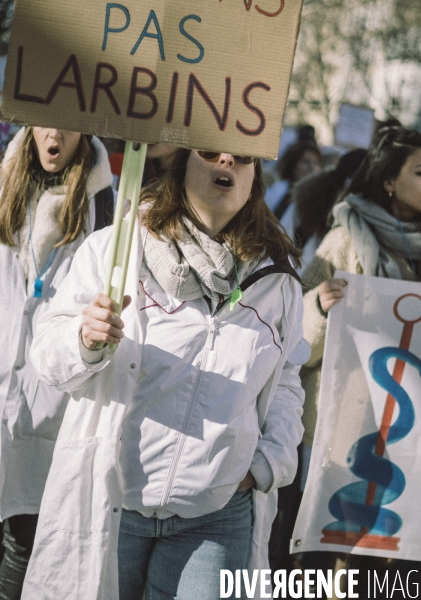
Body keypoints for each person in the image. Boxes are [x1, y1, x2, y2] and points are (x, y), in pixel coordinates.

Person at [24, 149, 309, 600]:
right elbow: (46, 353)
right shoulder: (118, 249)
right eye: (210, 151)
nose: (228, 159)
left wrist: (265, 463)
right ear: (181, 164)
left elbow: (286, 380)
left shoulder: (278, 277)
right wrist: (84, 339)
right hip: (115, 506)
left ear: (256, 178)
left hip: (215, 519)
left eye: (245, 156)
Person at [299, 126, 421, 597]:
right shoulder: (342, 243)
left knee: (405, 553)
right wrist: (319, 307)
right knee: (340, 547)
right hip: (351, 425)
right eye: (420, 173)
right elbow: (294, 341)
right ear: (388, 181)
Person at [0, 126, 113, 598]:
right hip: (5, 393)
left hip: (53, 404)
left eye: (67, 124)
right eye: (44, 123)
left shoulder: (104, 205)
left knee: (25, 539)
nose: (54, 134)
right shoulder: (5, 187)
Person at [264, 140, 322, 238]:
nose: (312, 168)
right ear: (293, 164)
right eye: (305, 162)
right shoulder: (276, 189)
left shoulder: (318, 201)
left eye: (316, 163)